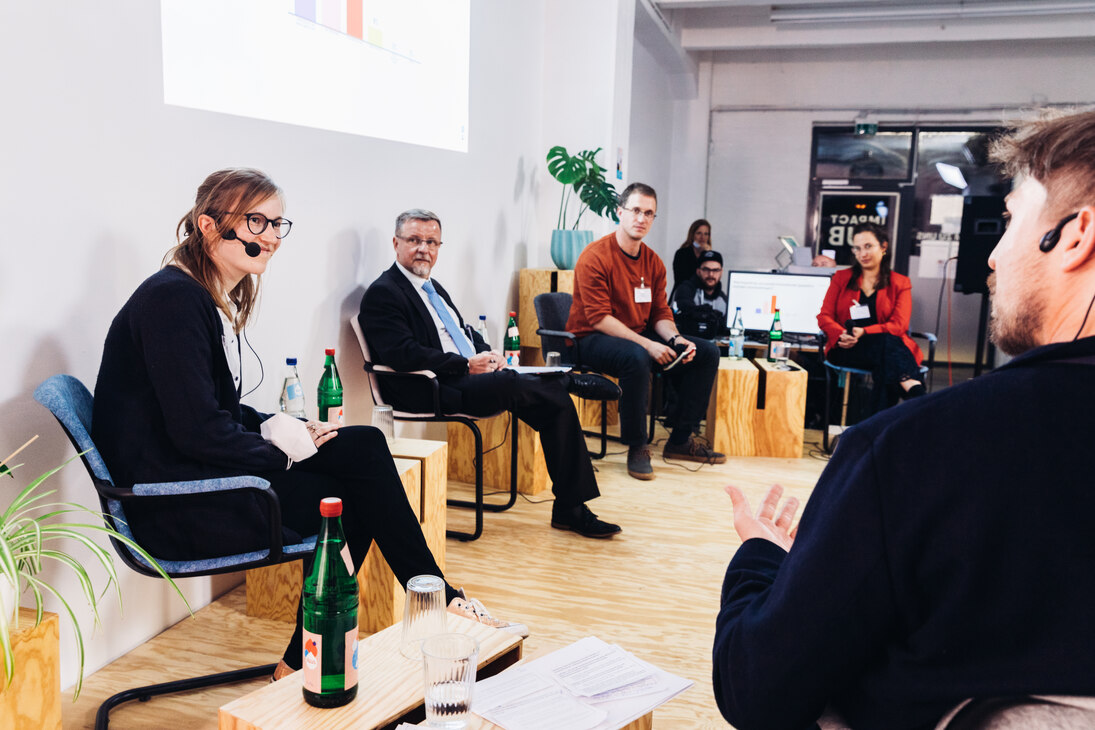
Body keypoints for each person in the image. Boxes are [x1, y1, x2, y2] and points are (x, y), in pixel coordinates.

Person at [713, 109, 1095, 730]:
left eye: (1011, 222)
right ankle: (912, 385)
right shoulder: (845, 290)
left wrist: (760, 555)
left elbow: (757, 688)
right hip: (854, 351)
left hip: (899, 389)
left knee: (893, 350)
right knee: (892, 355)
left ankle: (908, 387)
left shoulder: (905, 454)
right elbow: (832, 320)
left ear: (1075, 236)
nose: (994, 257)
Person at [92, 169, 526, 683]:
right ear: (209, 226)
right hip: (176, 502)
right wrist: (286, 450)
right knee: (356, 483)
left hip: (198, 477)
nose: (271, 237)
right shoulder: (173, 300)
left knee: (360, 448)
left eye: (278, 224)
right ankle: (424, 602)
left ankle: (377, 622)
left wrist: (286, 424)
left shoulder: (200, 298)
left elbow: (216, 413)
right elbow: (197, 432)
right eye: (256, 222)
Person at [359, 208, 621, 539]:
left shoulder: (432, 286)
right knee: (525, 383)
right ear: (396, 243)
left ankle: (570, 508)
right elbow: (402, 353)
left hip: (468, 377)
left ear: (440, 246)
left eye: (431, 241)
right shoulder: (384, 292)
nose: (423, 248)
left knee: (556, 405)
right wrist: (466, 364)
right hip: (429, 387)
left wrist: (486, 353)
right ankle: (566, 379)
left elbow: (461, 330)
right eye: (414, 240)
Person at [566, 183, 724, 481]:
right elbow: (599, 318)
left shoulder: (653, 262)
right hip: (588, 338)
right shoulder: (595, 256)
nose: (641, 218)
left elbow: (659, 314)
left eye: (648, 213)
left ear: (653, 218)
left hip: (634, 334)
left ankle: (679, 440)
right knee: (637, 356)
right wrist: (649, 346)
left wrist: (677, 339)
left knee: (706, 352)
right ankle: (637, 445)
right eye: (636, 210)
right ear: (620, 212)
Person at [817, 222, 925, 415]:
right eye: (857, 248)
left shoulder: (900, 283)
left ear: (883, 247)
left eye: (868, 246)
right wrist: (842, 334)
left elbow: (899, 325)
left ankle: (871, 428)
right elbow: (824, 316)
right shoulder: (841, 278)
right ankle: (913, 386)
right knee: (888, 351)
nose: (862, 254)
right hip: (847, 348)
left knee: (885, 359)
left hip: (884, 349)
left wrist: (865, 331)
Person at [672, 250, 728, 339]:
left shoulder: (723, 299)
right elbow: (685, 313)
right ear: (698, 271)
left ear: (721, 272)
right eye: (706, 269)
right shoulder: (685, 289)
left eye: (716, 270)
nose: (711, 274)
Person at [671, 218, 712, 294]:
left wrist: (706, 254)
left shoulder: (709, 255)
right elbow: (682, 279)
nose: (702, 237)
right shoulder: (681, 253)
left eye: (706, 234)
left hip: (703, 296)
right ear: (692, 235)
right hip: (683, 293)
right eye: (699, 233)